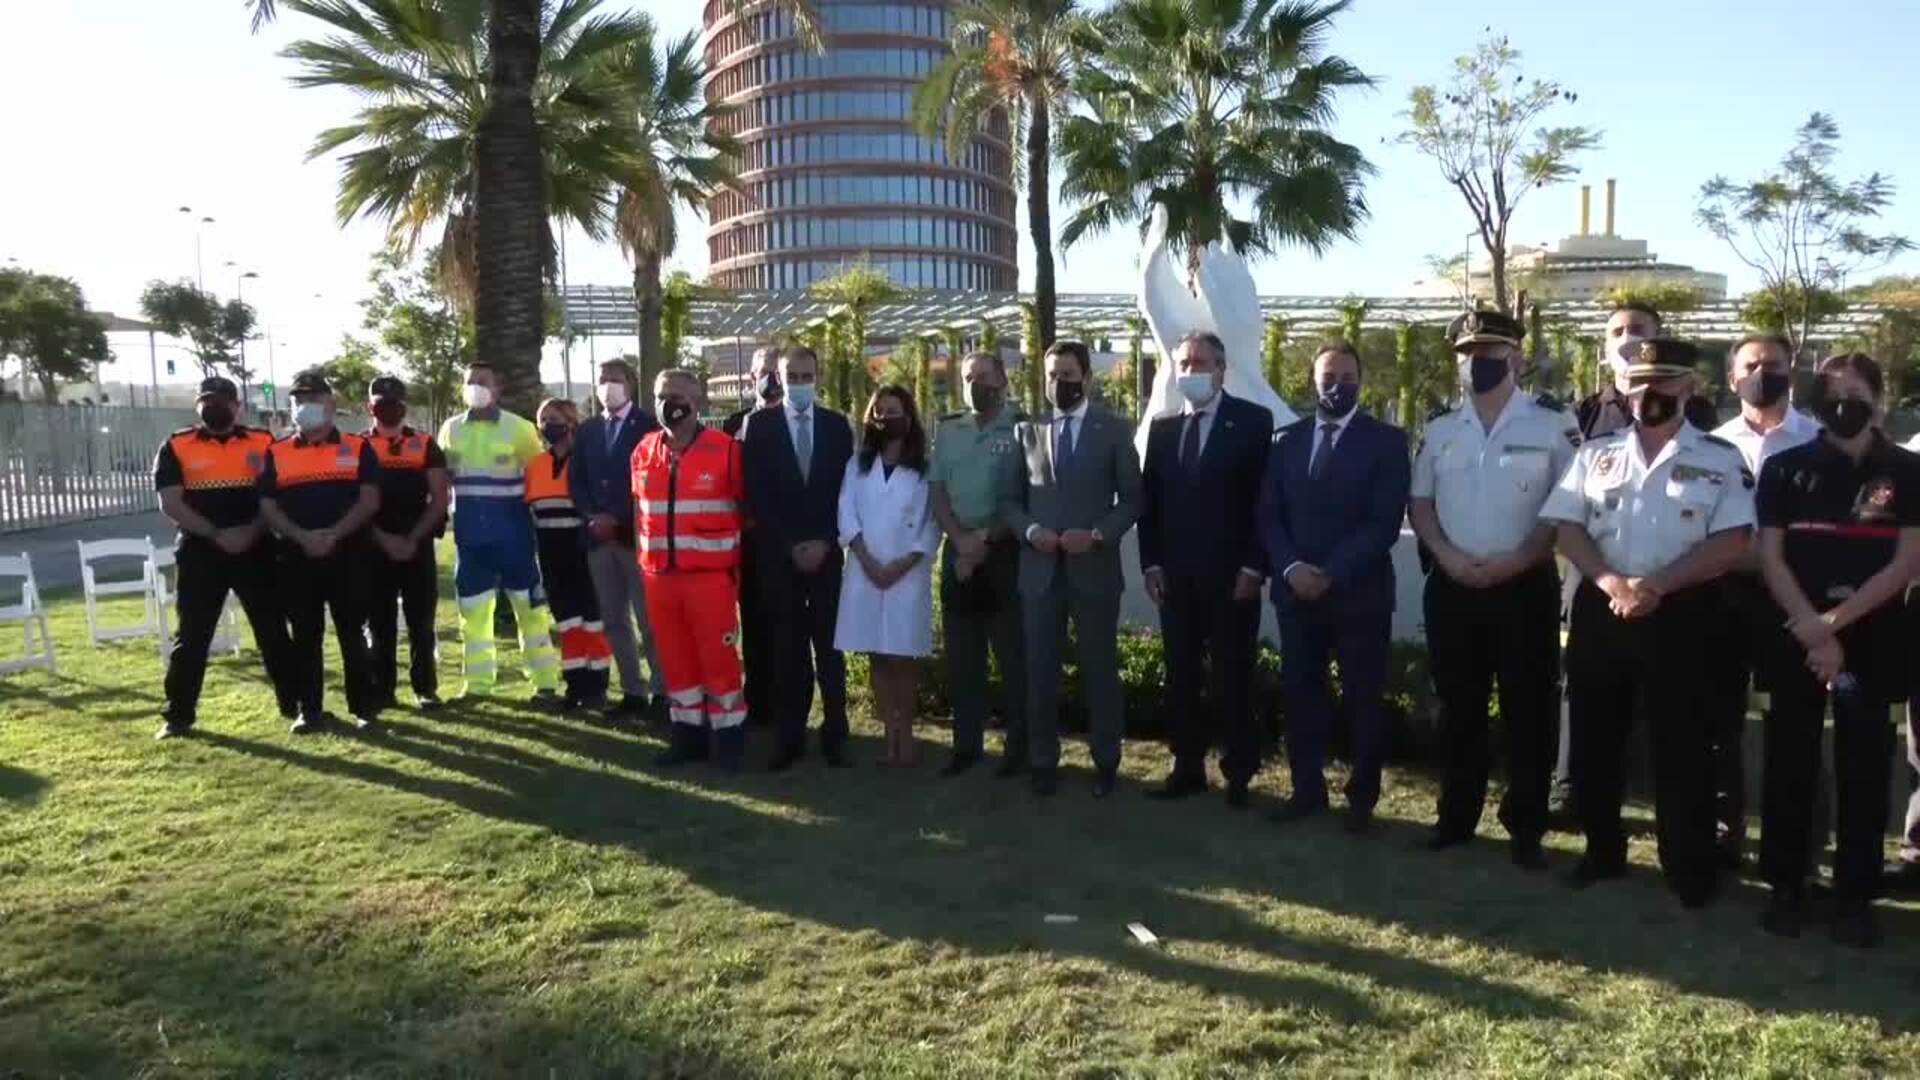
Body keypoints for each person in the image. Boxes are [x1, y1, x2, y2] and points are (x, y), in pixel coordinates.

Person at [1540, 339, 1754, 907]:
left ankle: (1687, 866)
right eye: (1640, 383)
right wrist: (1611, 582)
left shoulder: (1719, 457)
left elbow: (1733, 540)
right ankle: (1601, 852)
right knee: (1594, 736)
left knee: (1683, 741)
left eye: (1664, 383)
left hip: (1684, 613)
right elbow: (1567, 528)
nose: (1650, 393)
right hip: (1605, 605)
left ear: (1690, 388)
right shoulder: (1595, 453)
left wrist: (1659, 585)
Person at [1754, 352, 1920, 946]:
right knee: (1791, 759)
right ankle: (1788, 884)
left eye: (1853, 393)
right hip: (1796, 634)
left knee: (1865, 765)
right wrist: (1812, 624)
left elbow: (1906, 561)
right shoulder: (1785, 467)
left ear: (1878, 397)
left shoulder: (1906, 470)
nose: (1841, 405)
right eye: (1830, 394)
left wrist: (1836, 622)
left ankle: (1855, 894)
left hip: (1872, 637)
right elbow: (1770, 556)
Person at [1409, 312, 1579, 867]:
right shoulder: (1439, 427)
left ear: (1516, 358)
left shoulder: (1554, 422)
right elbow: (1422, 505)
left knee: (1528, 710)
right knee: (1459, 708)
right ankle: (1456, 817)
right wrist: (1450, 559)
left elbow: (1566, 507)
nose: (1476, 360)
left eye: (1489, 349)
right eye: (1467, 350)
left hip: (1524, 585)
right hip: (1454, 586)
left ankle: (1526, 826)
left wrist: (1517, 562)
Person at [1259, 340, 1411, 832]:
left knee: (1362, 699)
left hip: (1358, 595)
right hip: (1295, 592)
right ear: (1312, 379)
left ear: (1360, 383)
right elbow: (1269, 515)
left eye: (1346, 377)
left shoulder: (1387, 442)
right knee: (1301, 693)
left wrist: (1329, 573)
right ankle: (1307, 790)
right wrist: (1290, 569)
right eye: (1328, 376)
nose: (1336, 385)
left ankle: (1361, 800)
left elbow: (1383, 522)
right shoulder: (1287, 441)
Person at [1002, 340, 1142, 799]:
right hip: (1039, 571)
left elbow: (1134, 500)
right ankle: (1043, 760)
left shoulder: (1114, 430)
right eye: (1050, 375)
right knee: (1040, 670)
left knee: (1098, 669)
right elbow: (1009, 501)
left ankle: (1106, 762)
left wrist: (1098, 535)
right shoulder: (1027, 430)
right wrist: (1030, 531)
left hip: (1094, 569)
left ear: (1085, 376)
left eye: (1065, 374)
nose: (1056, 383)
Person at [1138, 331, 1272, 809]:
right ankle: (1187, 767)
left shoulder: (1254, 422)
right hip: (1175, 578)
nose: (1189, 371)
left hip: (1234, 577)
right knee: (1182, 676)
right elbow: (1148, 503)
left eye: (1199, 362)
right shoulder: (1163, 427)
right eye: (1182, 363)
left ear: (1221, 369)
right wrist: (1150, 563)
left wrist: (1256, 567)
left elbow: (1264, 502)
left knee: (1233, 676)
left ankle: (1239, 773)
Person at [1708, 334, 1819, 867]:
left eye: (1772, 364)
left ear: (1790, 372)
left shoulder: (1816, 440)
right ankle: (1725, 830)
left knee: (1795, 722)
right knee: (1719, 716)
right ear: (1732, 379)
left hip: (1794, 594)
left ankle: (1793, 844)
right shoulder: (1710, 445)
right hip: (1726, 594)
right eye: (1750, 365)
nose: (1761, 372)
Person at [153, 376, 300, 739]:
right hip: (201, 552)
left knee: (273, 631)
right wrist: (216, 534)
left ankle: (296, 706)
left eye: (221, 400)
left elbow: (278, 497)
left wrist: (249, 532)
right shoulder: (176, 445)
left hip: (258, 549)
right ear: (197, 405)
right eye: (206, 400)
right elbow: (170, 502)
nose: (213, 406)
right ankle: (178, 716)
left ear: (237, 406)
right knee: (192, 636)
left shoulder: (264, 442)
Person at [741, 345, 856, 770]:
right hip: (780, 555)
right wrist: (791, 545)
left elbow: (846, 493)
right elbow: (757, 494)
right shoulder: (759, 426)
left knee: (830, 649)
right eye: (793, 376)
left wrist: (826, 542)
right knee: (787, 649)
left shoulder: (837, 426)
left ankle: (836, 736)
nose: (801, 384)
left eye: (808, 376)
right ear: (779, 377)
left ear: (818, 375)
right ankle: (789, 738)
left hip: (827, 555)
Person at [257, 371, 384, 733]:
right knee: (306, 637)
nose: (304, 406)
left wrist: (333, 534)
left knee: (352, 633)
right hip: (297, 557)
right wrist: (301, 536)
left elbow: (369, 499)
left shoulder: (359, 448)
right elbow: (267, 506)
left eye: (312, 399)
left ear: (330, 404)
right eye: (298, 400)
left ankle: (364, 708)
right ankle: (308, 710)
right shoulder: (276, 452)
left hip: (348, 554)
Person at [634, 369, 749, 767]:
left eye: (677, 395)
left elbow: (745, 512)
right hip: (659, 579)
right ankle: (687, 739)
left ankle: (730, 742)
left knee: (719, 663)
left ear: (698, 402)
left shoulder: (727, 450)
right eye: (661, 395)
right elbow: (640, 513)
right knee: (676, 663)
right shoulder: (643, 450)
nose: (669, 403)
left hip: (711, 580)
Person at [930, 351, 1028, 778]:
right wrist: (960, 540)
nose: (975, 384)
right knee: (963, 657)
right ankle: (966, 746)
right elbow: (937, 493)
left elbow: (1026, 496)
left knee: (1012, 658)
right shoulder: (949, 431)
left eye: (983, 376)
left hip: (1005, 552)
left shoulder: (1025, 429)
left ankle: (1018, 748)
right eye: (969, 377)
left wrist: (984, 542)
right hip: (959, 549)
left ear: (1003, 380)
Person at [438, 361, 561, 700]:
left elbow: (539, 481)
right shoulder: (450, 429)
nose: (475, 386)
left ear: (498, 388)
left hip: (515, 541)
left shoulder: (520, 429)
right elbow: (444, 480)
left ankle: (545, 683)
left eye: (483, 380)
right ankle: (478, 685)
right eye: (469, 381)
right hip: (471, 544)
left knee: (531, 615)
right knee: (473, 618)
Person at [834, 385, 940, 766]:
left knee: (903, 657)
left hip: (906, 575)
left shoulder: (925, 471)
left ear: (908, 418)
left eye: (893, 411)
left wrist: (900, 564)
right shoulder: (856, 466)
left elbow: (931, 525)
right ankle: (888, 738)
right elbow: (846, 514)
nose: (885, 419)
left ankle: (906, 736)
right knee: (877, 655)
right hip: (864, 571)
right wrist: (866, 558)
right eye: (879, 412)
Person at [569, 359, 665, 723]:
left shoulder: (649, 426)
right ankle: (632, 691)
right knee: (613, 620)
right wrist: (592, 516)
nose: (609, 385)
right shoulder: (589, 429)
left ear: (631, 384)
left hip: (634, 538)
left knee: (649, 619)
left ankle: (663, 691)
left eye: (616, 379)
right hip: (597, 539)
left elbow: (652, 479)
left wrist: (620, 520)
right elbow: (576, 480)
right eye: (603, 379)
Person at [361, 375, 449, 712]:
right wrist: (382, 539)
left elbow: (439, 497)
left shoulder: (425, 444)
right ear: (369, 406)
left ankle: (425, 689)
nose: (387, 407)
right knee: (379, 624)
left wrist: (412, 538)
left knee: (421, 623)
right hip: (372, 547)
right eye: (380, 401)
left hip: (417, 545)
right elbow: (353, 500)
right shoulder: (356, 445)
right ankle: (382, 691)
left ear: (405, 406)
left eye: (394, 401)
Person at [528, 399, 613, 712]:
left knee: (592, 621)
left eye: (555, 418)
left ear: (572, 422)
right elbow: (533, 513)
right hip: (551, 553)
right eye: (543, 419)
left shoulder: (586, 461)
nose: (549, 424)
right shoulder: (536, 465)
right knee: (566, 622)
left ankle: (597, 686)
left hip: (583, 550)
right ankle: (575, 684)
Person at [724, 347, 783, 727]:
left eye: (776, 373)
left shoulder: (800, 422)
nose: (771, 381)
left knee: (789, 626)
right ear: (751, 378)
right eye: (765, 372)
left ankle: (789, 701)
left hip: (788, 540)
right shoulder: (734, 424)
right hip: (747, 542)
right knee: (755, 623)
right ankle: (758, 701)